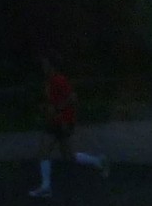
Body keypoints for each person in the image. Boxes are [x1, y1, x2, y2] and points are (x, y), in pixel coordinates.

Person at [30, 50, 109, 198]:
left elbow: (73, 98)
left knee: (48, 152)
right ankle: (97, 161)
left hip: (62, 121)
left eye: (45, 64)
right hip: (56, 120)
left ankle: (46, 187)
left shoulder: (59, 80)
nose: (43, 67)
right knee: (65, 155)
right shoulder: (50, 80)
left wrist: (60, 112)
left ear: (52, 65)